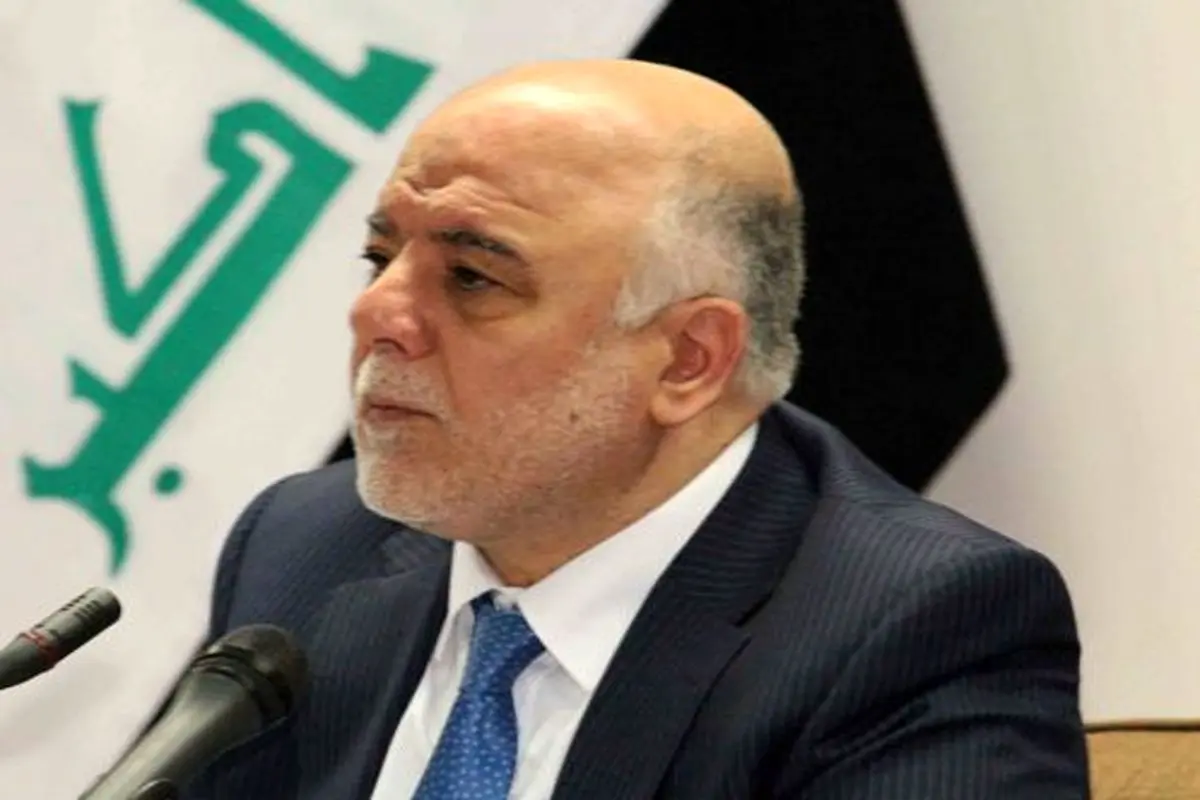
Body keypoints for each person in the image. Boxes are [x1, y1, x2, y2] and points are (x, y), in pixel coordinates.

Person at [181, 59, 1089, 798]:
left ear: (688, 359)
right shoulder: (307, 545)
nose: (377, 312)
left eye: (472, 277)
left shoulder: (914, 632)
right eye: (380, 256)